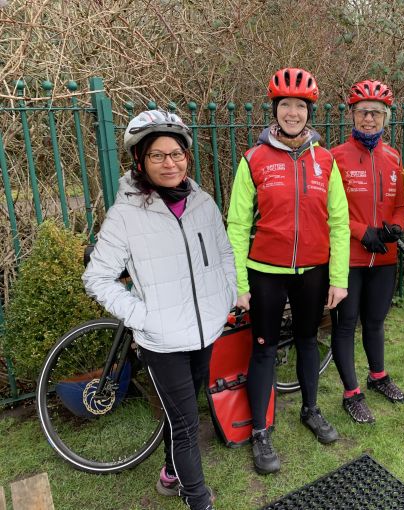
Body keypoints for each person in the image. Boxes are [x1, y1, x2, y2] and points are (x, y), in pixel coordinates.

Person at [83, 109, 236, 510]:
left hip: (205, 333)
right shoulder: (125, 215)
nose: (170, 163)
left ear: (187, 157)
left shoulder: (202, 202)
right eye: (157, 155)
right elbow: (97, 278)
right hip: (162, 342)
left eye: (176, 154)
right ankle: (196, 497)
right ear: (141, 160)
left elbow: (223, 253)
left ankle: (170, 474)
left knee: (177, 413)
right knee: (186, 424)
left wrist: (225, 296)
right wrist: (143, 317)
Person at [226, 68, 350, 474]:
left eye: (300, 106)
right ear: (275, 109)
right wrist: (239, 283)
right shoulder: (254, 159)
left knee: (308, 341)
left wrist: (339, 279)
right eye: (285, 105)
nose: (292, 113)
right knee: (263, 349)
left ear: (309, 111)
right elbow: (237, 224)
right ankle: (260, 432)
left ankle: (311, 410)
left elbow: (339, 222)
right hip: (265, 271)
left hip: (313, 270)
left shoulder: (325, 161)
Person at [329, 80, 404, 424]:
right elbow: (329, 210)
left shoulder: (393, 157)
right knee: (346, 324)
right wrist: (362, 232)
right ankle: (351, 393)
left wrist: (396, 228)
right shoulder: (335, 157)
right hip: (349, 257)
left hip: (384, 257)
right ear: (352, 115)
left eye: (376, 113)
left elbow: (401, 206)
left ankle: (378, 376)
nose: (369, 119)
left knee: (376, 321)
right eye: (363, 112)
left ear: (386, 117)